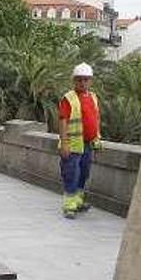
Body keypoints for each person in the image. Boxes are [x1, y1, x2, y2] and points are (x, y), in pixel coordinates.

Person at [58, 62, 102, 219]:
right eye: (79, 80)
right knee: (72, 173)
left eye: (86, 79)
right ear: (74, 81)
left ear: (91, 81)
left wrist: (97, 138)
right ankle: (69, 205)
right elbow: (63, 120)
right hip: (73, 144)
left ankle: (78, 201)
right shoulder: (68, 98)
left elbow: (95, 119)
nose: (82, 83)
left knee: (84, 173)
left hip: (88, 144)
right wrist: (64, 143)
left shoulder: (93, 97)